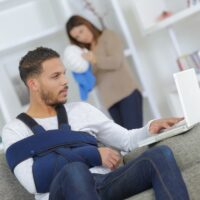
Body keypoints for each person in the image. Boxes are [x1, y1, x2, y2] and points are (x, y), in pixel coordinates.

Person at [2, 47, 189, 200]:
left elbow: (126, 140)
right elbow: (34, 182)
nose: (65, 81)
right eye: (55, 76)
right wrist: (92, 154)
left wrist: (150, 128)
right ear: (33, 84)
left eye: (64, 74)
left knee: (159, 155)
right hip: (60, 193)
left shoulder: (82, 110)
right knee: (75, 171)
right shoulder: (15, 130)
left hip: (104, 182)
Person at [66, 15, 143, 129]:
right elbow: (93, 80)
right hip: (110, 102)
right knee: (125, 142)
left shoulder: (108, 36)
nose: (81, 37)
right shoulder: (85, 52)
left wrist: (95, 59)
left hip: (127, 93)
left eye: (81, 31)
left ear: (87, 24)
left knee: (136, 137)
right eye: (77, 37)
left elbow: (116, 62)